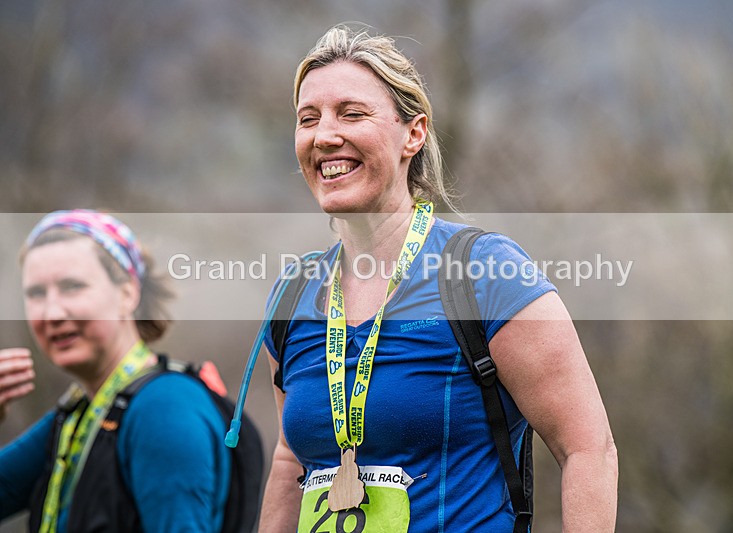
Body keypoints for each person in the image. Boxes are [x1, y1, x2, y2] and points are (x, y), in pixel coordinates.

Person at [258, 25, 618, 533]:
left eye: (352, 114)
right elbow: (289, 462)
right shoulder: (292, 296)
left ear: (414, 133)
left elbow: (587, 448)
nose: (324, 136)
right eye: (307, 119)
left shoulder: (486, 274)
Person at [0, 210, 232, 532]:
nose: (51, 312)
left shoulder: (163, 409)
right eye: (36, 294)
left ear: (128, 293)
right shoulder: (82, 413)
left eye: (72, 287)